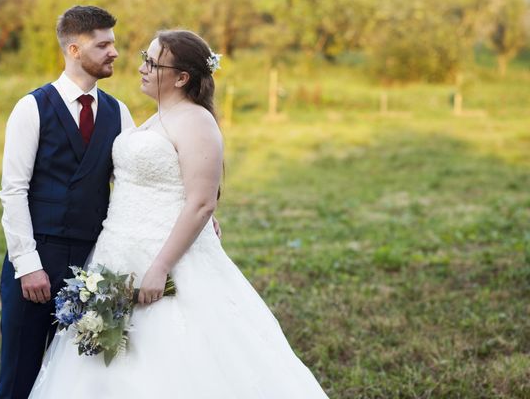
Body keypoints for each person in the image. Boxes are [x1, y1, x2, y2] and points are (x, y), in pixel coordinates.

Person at [28, 30, 330, 398]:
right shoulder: (154, 118)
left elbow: (202, 203)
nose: (140, 67)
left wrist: (160, 266)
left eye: (152, 63)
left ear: (181, 77)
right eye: (144, 57)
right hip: (118, 251)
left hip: (164, 259)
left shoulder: (195, 121)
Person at [0, 5, 135, 398]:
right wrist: (27, 266)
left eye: (114, 43)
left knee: (80, 377)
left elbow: (135, 180)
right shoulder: (32, 107)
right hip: (39, 260)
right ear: (74, 50)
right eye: (103, 44)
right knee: (19, 377)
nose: (115, 53)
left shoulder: (118, 111)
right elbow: (13, 190)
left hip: (94, 263)